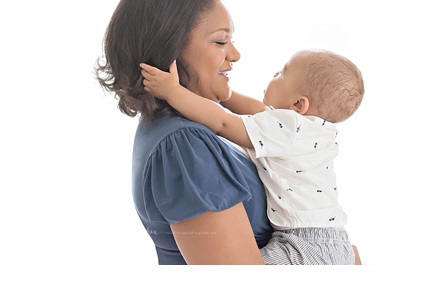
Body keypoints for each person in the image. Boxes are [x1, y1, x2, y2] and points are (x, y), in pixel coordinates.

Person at [96, 0, 360, 265]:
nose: (235, 54)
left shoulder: (183, 133)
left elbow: (243, 112)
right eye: (221, 41)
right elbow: (237, 289)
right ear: (170, 49)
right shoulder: (183, 146)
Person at [140, 50, 365, 264]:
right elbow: (258, 111)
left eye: (283, 73)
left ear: (298, 104)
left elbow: (224, 122)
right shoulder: (312, 131)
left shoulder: (289, 129)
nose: (275, 75)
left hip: (304, 243)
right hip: (338, 241)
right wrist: (226, 95)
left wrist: (173, 92)